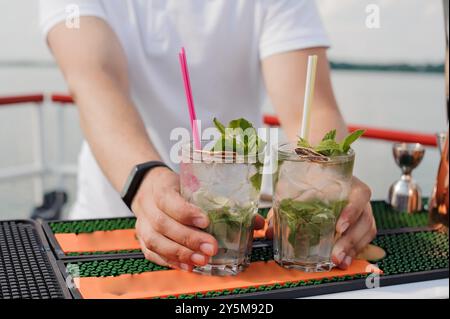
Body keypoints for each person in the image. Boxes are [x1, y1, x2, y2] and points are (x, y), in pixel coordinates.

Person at [39, 0, 376, 271]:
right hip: (109, 222)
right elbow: (95, 80)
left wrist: (325, 188)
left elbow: (310, 107)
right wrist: (145, 185)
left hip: (234, 236)